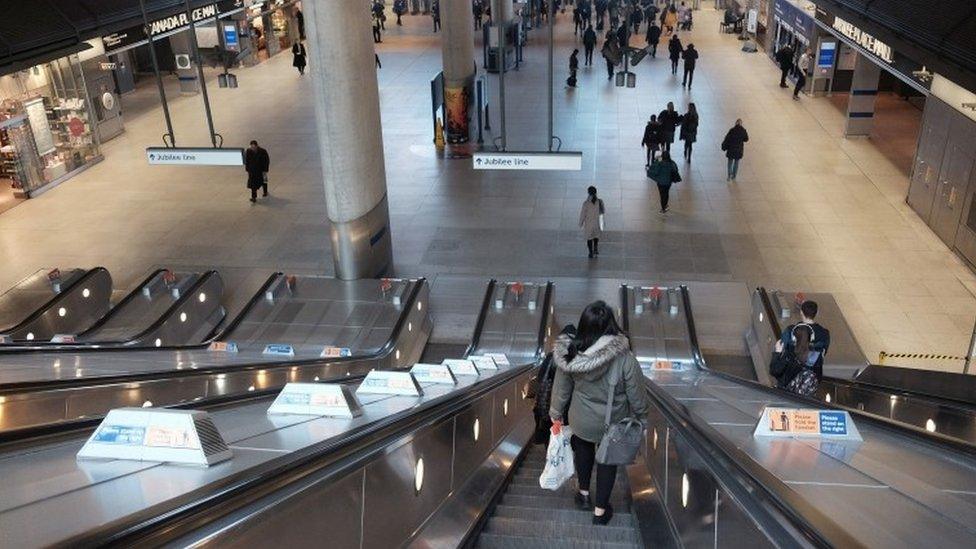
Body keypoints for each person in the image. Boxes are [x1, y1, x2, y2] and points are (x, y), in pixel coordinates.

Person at [549, 301, 649, 525]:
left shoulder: (571, 354)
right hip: (612, 422)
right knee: (607, 461)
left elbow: (561, 388)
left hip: (581, 419)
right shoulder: (625, 358)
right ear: (611, 325)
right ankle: (600, 512)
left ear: (584, 325)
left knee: (583, 451)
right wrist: (643, 418)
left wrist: (555, 413)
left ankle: (584, 495)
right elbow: (636, 393)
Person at [775, 301, 831, 386]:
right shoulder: (824, 334)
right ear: (817, 313)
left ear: (801, 312)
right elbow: (823, 352)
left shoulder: (791, 331)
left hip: (790, 374)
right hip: (812, 377)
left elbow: (781, 348)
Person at [580, 186, 604, 257]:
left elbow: (582, 214)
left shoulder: (586, 203)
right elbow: (603, 211)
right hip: (597, 224)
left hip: (589, 225)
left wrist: (580, 223)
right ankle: (595, 248)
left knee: (589, 238)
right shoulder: (600, 201)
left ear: (588, 193)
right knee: (596, 236)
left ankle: (590, 252)